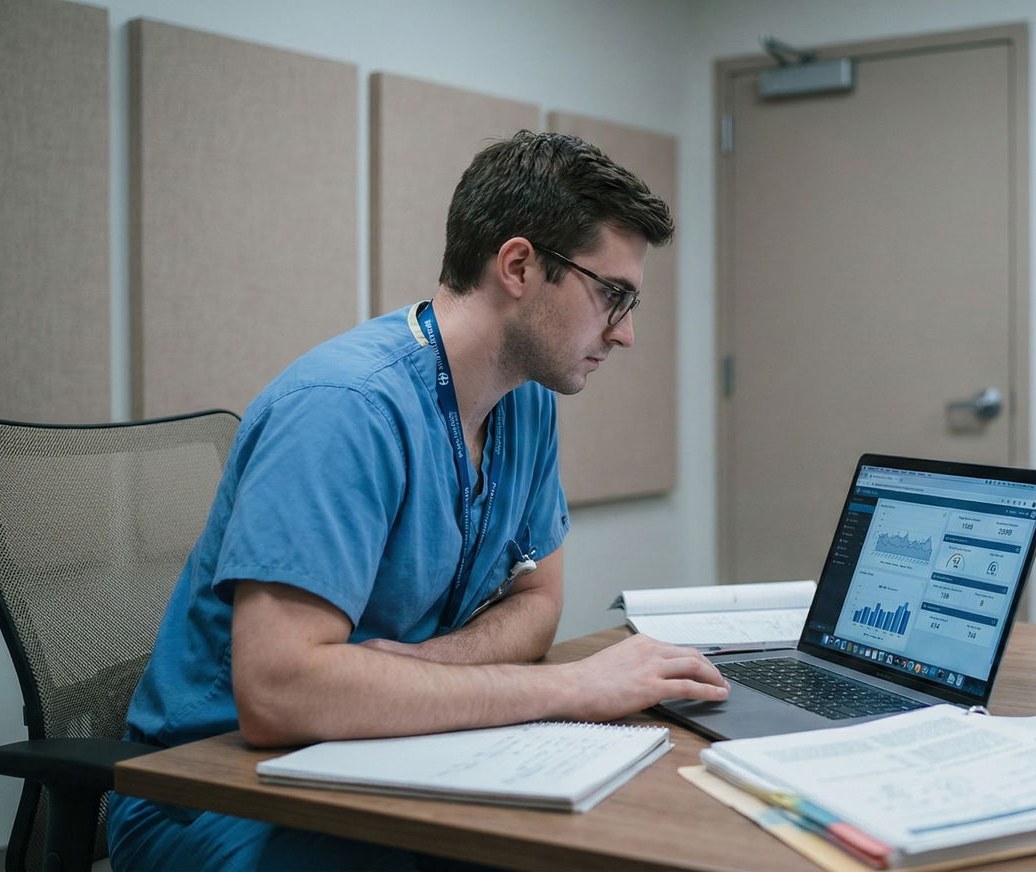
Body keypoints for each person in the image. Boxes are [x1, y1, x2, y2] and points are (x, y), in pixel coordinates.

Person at [107, 131, 729, 871]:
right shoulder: (344, 409)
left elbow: (537, 603)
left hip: (392, 751)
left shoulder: (524, 406)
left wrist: (423, 670)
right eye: (613, 295)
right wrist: (568, 686)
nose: (625, 334)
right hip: (215, 791)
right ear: (520, 266)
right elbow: (281, 693)